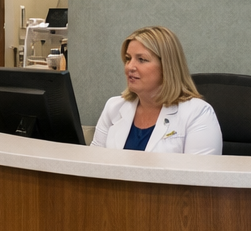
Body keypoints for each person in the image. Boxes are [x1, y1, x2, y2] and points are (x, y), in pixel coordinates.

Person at [91, 25, 223, 154]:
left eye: (141, 59)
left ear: (167, 66)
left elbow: (198, 174)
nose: (129, 67)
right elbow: (92, 164)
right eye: (128, 59)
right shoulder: (113, 107)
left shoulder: (198, 113)